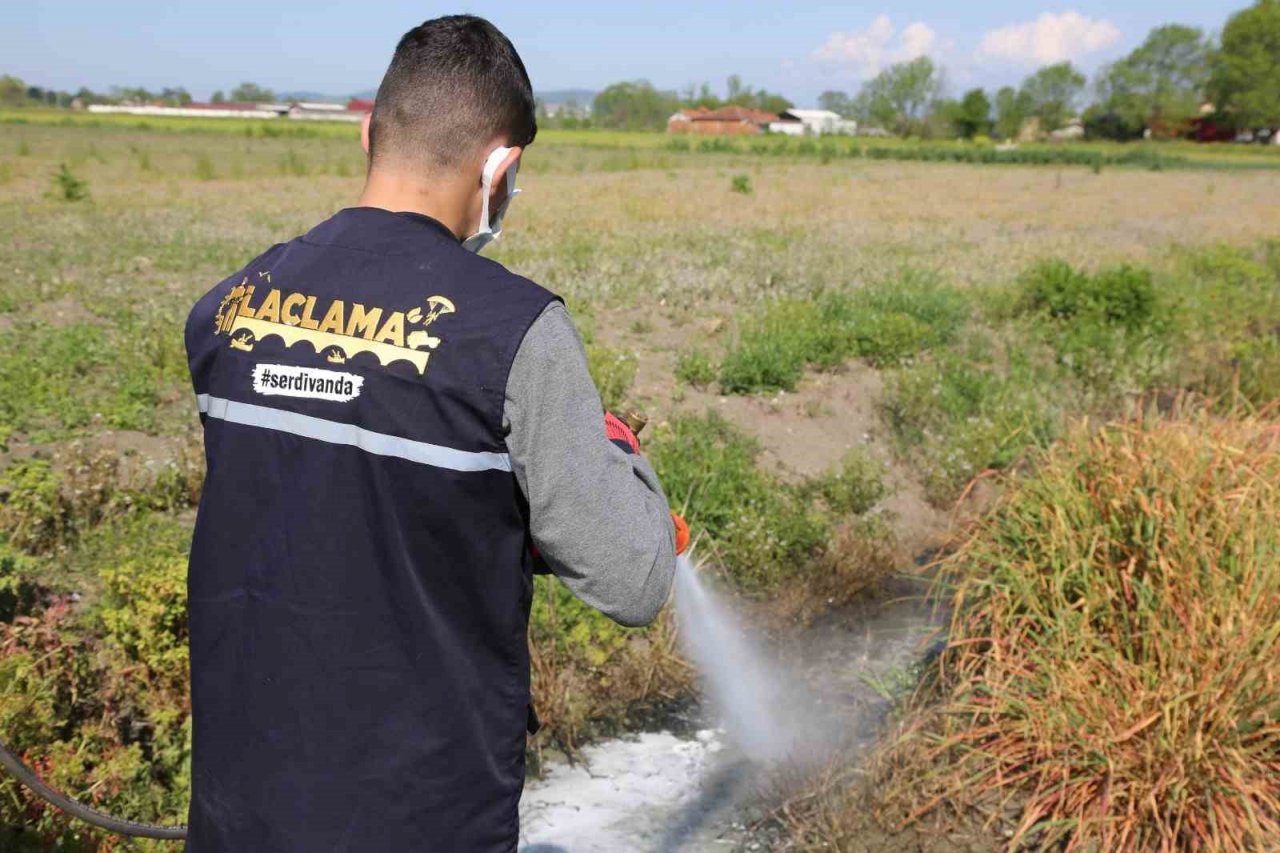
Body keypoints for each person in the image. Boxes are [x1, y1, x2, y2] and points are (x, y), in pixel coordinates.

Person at [183, 15, 685, 852]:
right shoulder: (514, 329)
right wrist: (620, 458)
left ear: (367, 133)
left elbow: (327, 491)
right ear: (502, 166)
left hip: (241, 807)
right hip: (420, 818)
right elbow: (633, 578)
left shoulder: (229, 307)